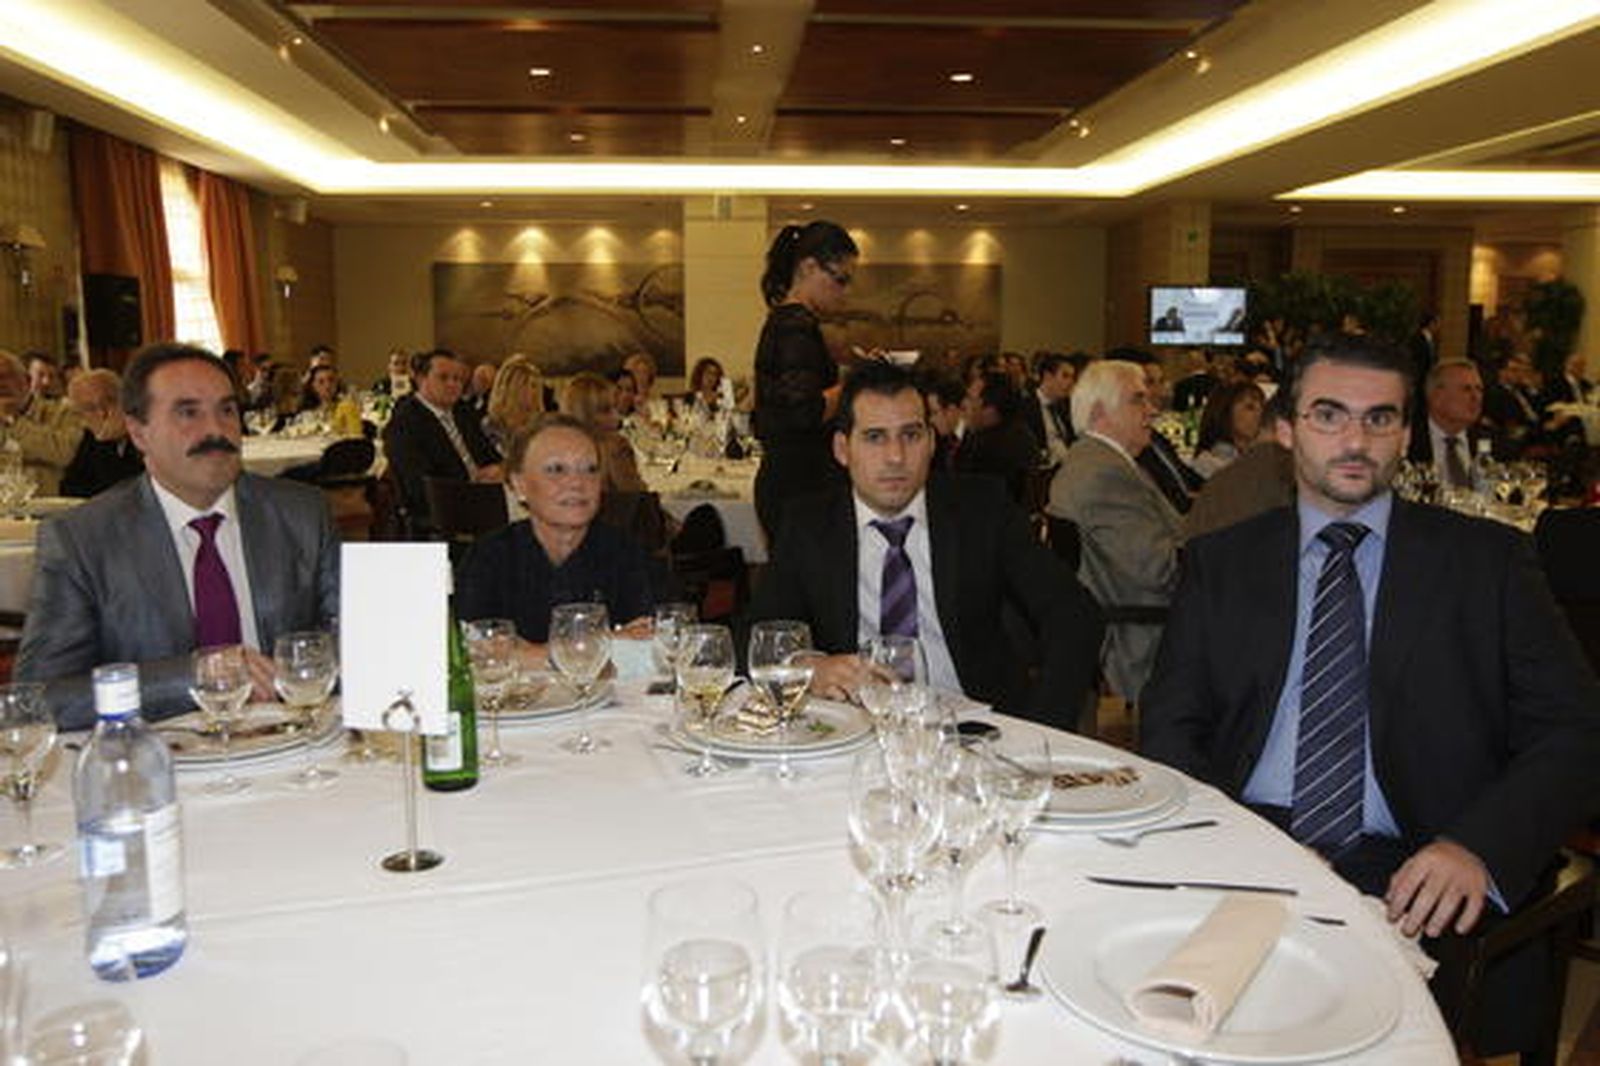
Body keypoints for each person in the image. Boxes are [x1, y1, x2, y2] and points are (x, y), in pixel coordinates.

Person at [1141, 332, 1600, 1057]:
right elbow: (1170, 724)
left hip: (1417, 861)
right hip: (1249, 841)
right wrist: (1241, 844)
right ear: (1286, 430)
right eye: (1329, 415)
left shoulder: (1487, 562)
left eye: (1380, 419)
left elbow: (1575, 729)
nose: (1355, 439)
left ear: (1406, 434)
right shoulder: (1224, 563)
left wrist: (1476, 847)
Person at [748, 360, 1103, 731]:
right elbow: (757, 636)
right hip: (856, 730)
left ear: (932, 442)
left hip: (974, 727)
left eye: (911, 435)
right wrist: (810, 666)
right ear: (842, 448)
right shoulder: (810, 525)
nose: (896, 457)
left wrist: (1041, 727)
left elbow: (1075, 614)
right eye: (874, 437)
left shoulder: (981, 509)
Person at [15, 343, 340, 729]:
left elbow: (352, 640)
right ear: (138, 432)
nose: (216, 430)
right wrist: (195, 676)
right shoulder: (82, 539)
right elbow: (42, 698)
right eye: (188, 413)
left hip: (293, 749)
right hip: (158, 763)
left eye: (227, 410)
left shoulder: (302, 514)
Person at [1047, 359, 1182, 704]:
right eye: (1138, 400)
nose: (1151, 410)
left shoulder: (1100, 462)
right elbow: (1161, 570)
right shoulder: (1104, 475)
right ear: (1099, 413)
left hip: (1145, 620)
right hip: (1144, 638)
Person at [456, 414, 654, 650]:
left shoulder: (626, 553)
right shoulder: (490, 557)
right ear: (519, 485)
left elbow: (645, 648)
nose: (577, 483)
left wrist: (528, 653)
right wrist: (604, 645)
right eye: (556, 469)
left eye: (590, 469)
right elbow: (475, 652)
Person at [752, 220, 857, 543]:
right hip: (799, 483)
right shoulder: (795, 326)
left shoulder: (788, 322)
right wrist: (854, 380)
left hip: (790, 478)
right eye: (840, 280)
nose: (844, 292)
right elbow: (805, 410)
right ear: (809, 267)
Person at [382, 348, 503, 537]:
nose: (453, 384)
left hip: (485, 496)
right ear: (421, 379)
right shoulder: (404, 424)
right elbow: (419, 489)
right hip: (447, 511)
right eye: (443, 378)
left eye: (458, 379)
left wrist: (497, 469)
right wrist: (471, 484)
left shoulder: (463, 412)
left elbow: (491, 456)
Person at [1182, 391, 1296, 541]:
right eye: (1250, 407)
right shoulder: (1212, 465)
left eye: (1262, 405)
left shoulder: (1235, 473)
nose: (1260, 412)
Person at [0, 349, 84, 495]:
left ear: (27, 380)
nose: (1, 383)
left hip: (48, 509)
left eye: (6, 376)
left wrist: (13, 421)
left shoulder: (63, 412)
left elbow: (63, 453)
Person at [953, 370, 1037, 505]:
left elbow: (962, 495)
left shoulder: (987, 448)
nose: (963, 404)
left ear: (990, 410)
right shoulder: (1021, 431)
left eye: (969, 398)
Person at [60, 368, 143, 498]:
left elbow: (134, 491)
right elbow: (69, 486)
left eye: (84, 411)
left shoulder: (146, 435)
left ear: (103, 410)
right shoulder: (93, 437)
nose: (83, 421)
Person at [1406, 358, 1489, 488]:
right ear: (1436, 397)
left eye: (1479, 389)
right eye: (1466, 389)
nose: (1476, 397)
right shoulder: (1407, 441)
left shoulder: (1493, 442)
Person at [560, 372, 646, 494]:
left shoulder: (556, 454)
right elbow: (640, 499)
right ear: (585, 415)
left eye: (614, 408)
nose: (616, 417)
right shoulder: (616, 449)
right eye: (606, 411)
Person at [1190, 380, 1266, 479]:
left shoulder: (1255, 457)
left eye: (1263, 406)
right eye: (1250, 407)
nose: (1262, 413)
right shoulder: (1209, 463)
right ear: (1224, 414)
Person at [481, 354, 546, 457]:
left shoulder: (542, 424)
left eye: (534, 385)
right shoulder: (492, 425)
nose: (533, 391)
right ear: (510, 388)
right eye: (525, 384)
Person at [1022, 351, 1076, 466]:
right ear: (1048, 376)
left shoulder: (1065, 407)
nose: (1071, 383)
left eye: (1072, 377)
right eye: (1065, 376)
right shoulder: (1025, 407)